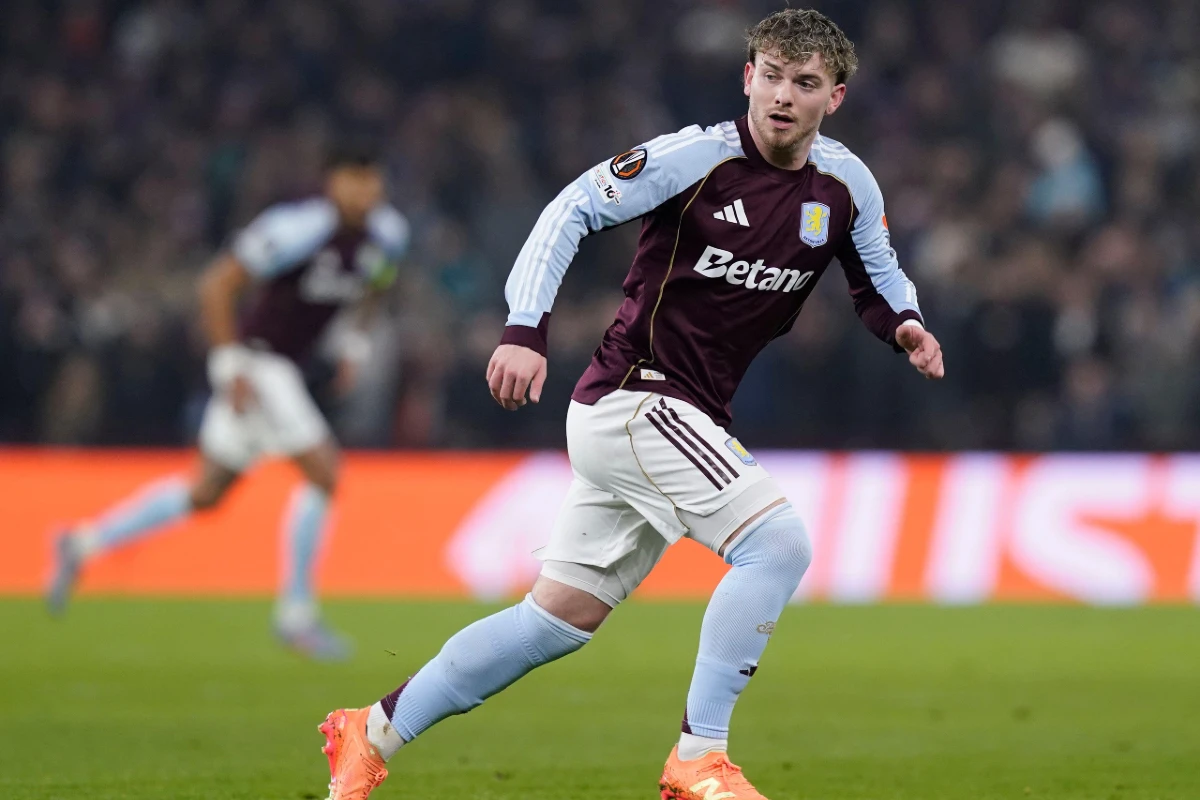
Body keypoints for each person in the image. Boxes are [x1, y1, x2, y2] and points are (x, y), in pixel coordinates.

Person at [317, 9, 943, 798]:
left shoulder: (845, 184)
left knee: (554, 620)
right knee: (777, 544)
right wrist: (524, 328)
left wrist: (906, 324)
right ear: (748, 77)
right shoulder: (694, 158)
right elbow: (570, 209)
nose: (784, 96)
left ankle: (371, 730)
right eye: (772, 77)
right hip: (636, 397)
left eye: (806, 83)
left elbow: (877, 272)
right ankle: (699, 757)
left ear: (835, 97)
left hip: (678, 414)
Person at [46, 144, 409, 661]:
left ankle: (81, 543)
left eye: (372, 179)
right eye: (355, 178)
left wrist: (353, 344)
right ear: (332, 182)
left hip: (284, 369)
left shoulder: (389, 234)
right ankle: (296, 616)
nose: (365, 190)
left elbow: (378, 283)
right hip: (259, 363)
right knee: (325, 473)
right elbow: (217, 284)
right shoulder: (297, 228)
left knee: (206, 492)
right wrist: (228, 365)